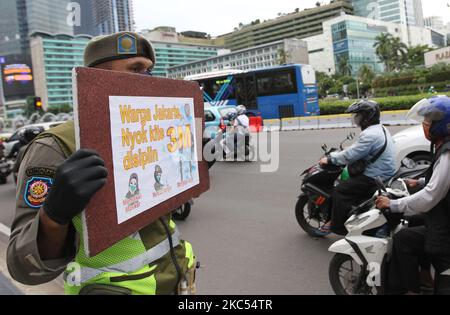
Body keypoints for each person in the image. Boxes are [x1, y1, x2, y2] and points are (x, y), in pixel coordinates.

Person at [7, 32, 196, 295]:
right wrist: (53, 216)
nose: (148, 78)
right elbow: (22, 266)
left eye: (149, 70)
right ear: (98, 76)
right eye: (136, 69)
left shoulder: (149, 132)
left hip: (175, 282)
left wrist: (189, 169)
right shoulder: (54, 147)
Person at [376, 96, 450, 295]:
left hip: (446, 227)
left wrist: (393, 204)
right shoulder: (443, 146)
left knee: (404, 238)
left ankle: (412, 290)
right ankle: (425, 276)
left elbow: (430, 197)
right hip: (444, 212)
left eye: (428, 122)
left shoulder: (447, 153)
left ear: (441, 126)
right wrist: (419, 182)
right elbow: (440, 181)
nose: (425, 126)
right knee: (414, 222)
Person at [318, 100, 396, 236]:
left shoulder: (369, 134)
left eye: (358, 115)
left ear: (367, 116)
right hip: (385, 172)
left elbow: (348, 156)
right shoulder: (380, 129)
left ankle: (336, 226)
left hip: (374, 176)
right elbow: (360, 149)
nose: (355, 118)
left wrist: (330, 159)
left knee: (340, 190)